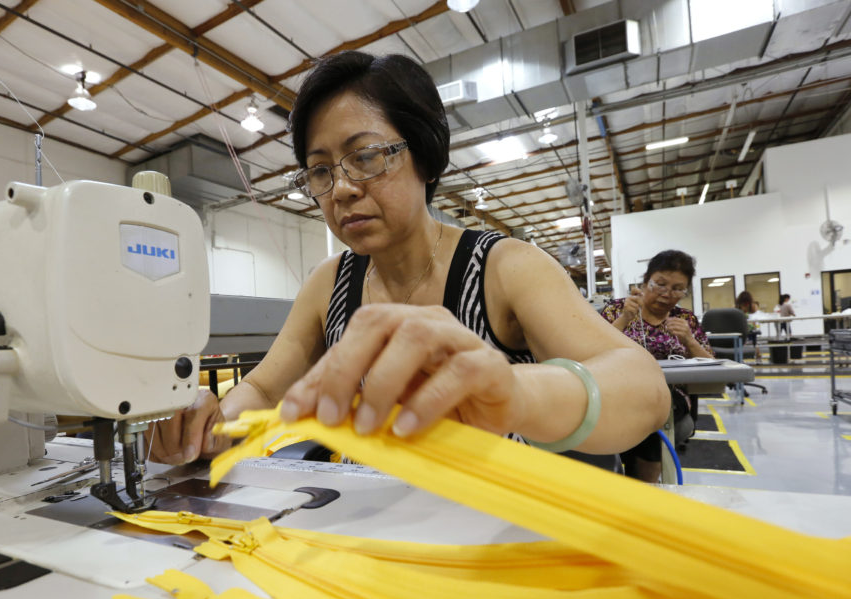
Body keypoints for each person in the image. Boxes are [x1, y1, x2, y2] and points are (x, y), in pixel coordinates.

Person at [147, 51, 669, 467]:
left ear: (424, 153)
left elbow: (645, 392)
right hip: (363, 527)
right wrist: (210, 421)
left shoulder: (504, 267)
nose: (343, 189)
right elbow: (263, 386)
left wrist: (517, 393)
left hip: (484, 530)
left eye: (366, 157)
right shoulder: (330, 283)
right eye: (320, 170)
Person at [599, 250, 713, 481]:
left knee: (653, 416)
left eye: (677, 288)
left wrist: (689, 340)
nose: (667, 294)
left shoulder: (686, 320)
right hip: (619, 392)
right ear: (645, 282)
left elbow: (711, 365)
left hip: (670, 397)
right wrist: (624, 320)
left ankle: (643, 486)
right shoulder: (617, 310)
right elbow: (592, 347)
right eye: (660, 285)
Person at [736, 290, 761, 358]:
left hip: (741, 328)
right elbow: (756, 314)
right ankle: (758, 356)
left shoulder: (738, 305)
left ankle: (740, 356)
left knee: (741, 342)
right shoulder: (752, 305)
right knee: (755, 343)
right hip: (751, 328)